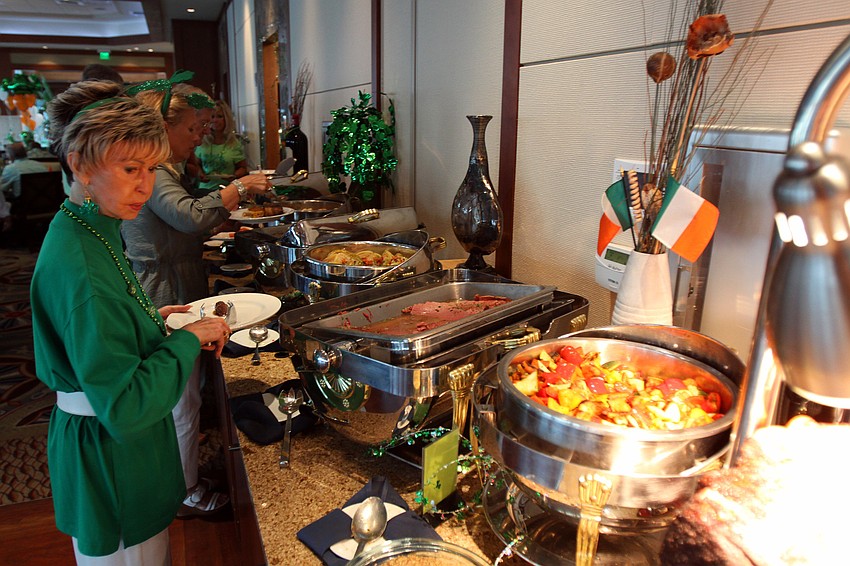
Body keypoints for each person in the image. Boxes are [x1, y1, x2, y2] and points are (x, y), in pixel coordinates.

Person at [31, 81, 232, 564]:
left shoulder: (88, 225)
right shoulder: (83, 268)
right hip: (110, 453)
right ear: (79, 163)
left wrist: (152, 321)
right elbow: (123, 405)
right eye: (129, 169)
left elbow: (104, 331)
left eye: (150, 169)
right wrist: (186, 340)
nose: (144, 185)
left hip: (110, 446)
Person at [123, 78, 271, 517]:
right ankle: (185, 491)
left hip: (175, 277)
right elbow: (186, 218)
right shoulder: (158, 172)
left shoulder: (164, 171)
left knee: (182, 395)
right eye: (191, 129)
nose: (198, 137)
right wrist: (241, 189)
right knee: (180, 400)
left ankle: (179, 475)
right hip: (162, 285)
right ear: (162, 128)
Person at [193, 99, 248, 195]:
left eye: (219, 116)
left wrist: (234, 176)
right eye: (212, 117)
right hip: (204, 191)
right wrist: (199, 173)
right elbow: (194, 164)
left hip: (228, 190)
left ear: (226, 119)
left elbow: (243, 168)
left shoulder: (234, 143)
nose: (214, 120)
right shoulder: (201, 141)